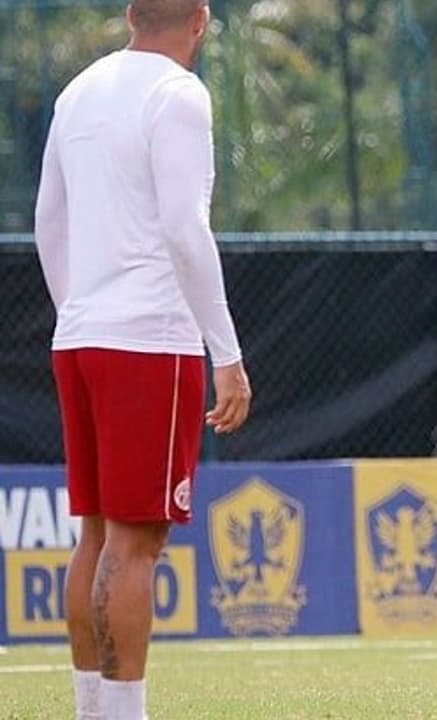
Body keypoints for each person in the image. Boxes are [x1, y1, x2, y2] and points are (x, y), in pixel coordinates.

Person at [33, 1, 251, 718]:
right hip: (149, 341)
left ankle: (92, 707)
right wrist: (226, 352)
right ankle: (124, 714)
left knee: (94, 535)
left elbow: (47, 224)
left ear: (130, 14)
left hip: (82, 337)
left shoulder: (77, 91)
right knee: (135, 545)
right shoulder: (179, 94)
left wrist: (78, 310)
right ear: (201, 19)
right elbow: (185, 232)